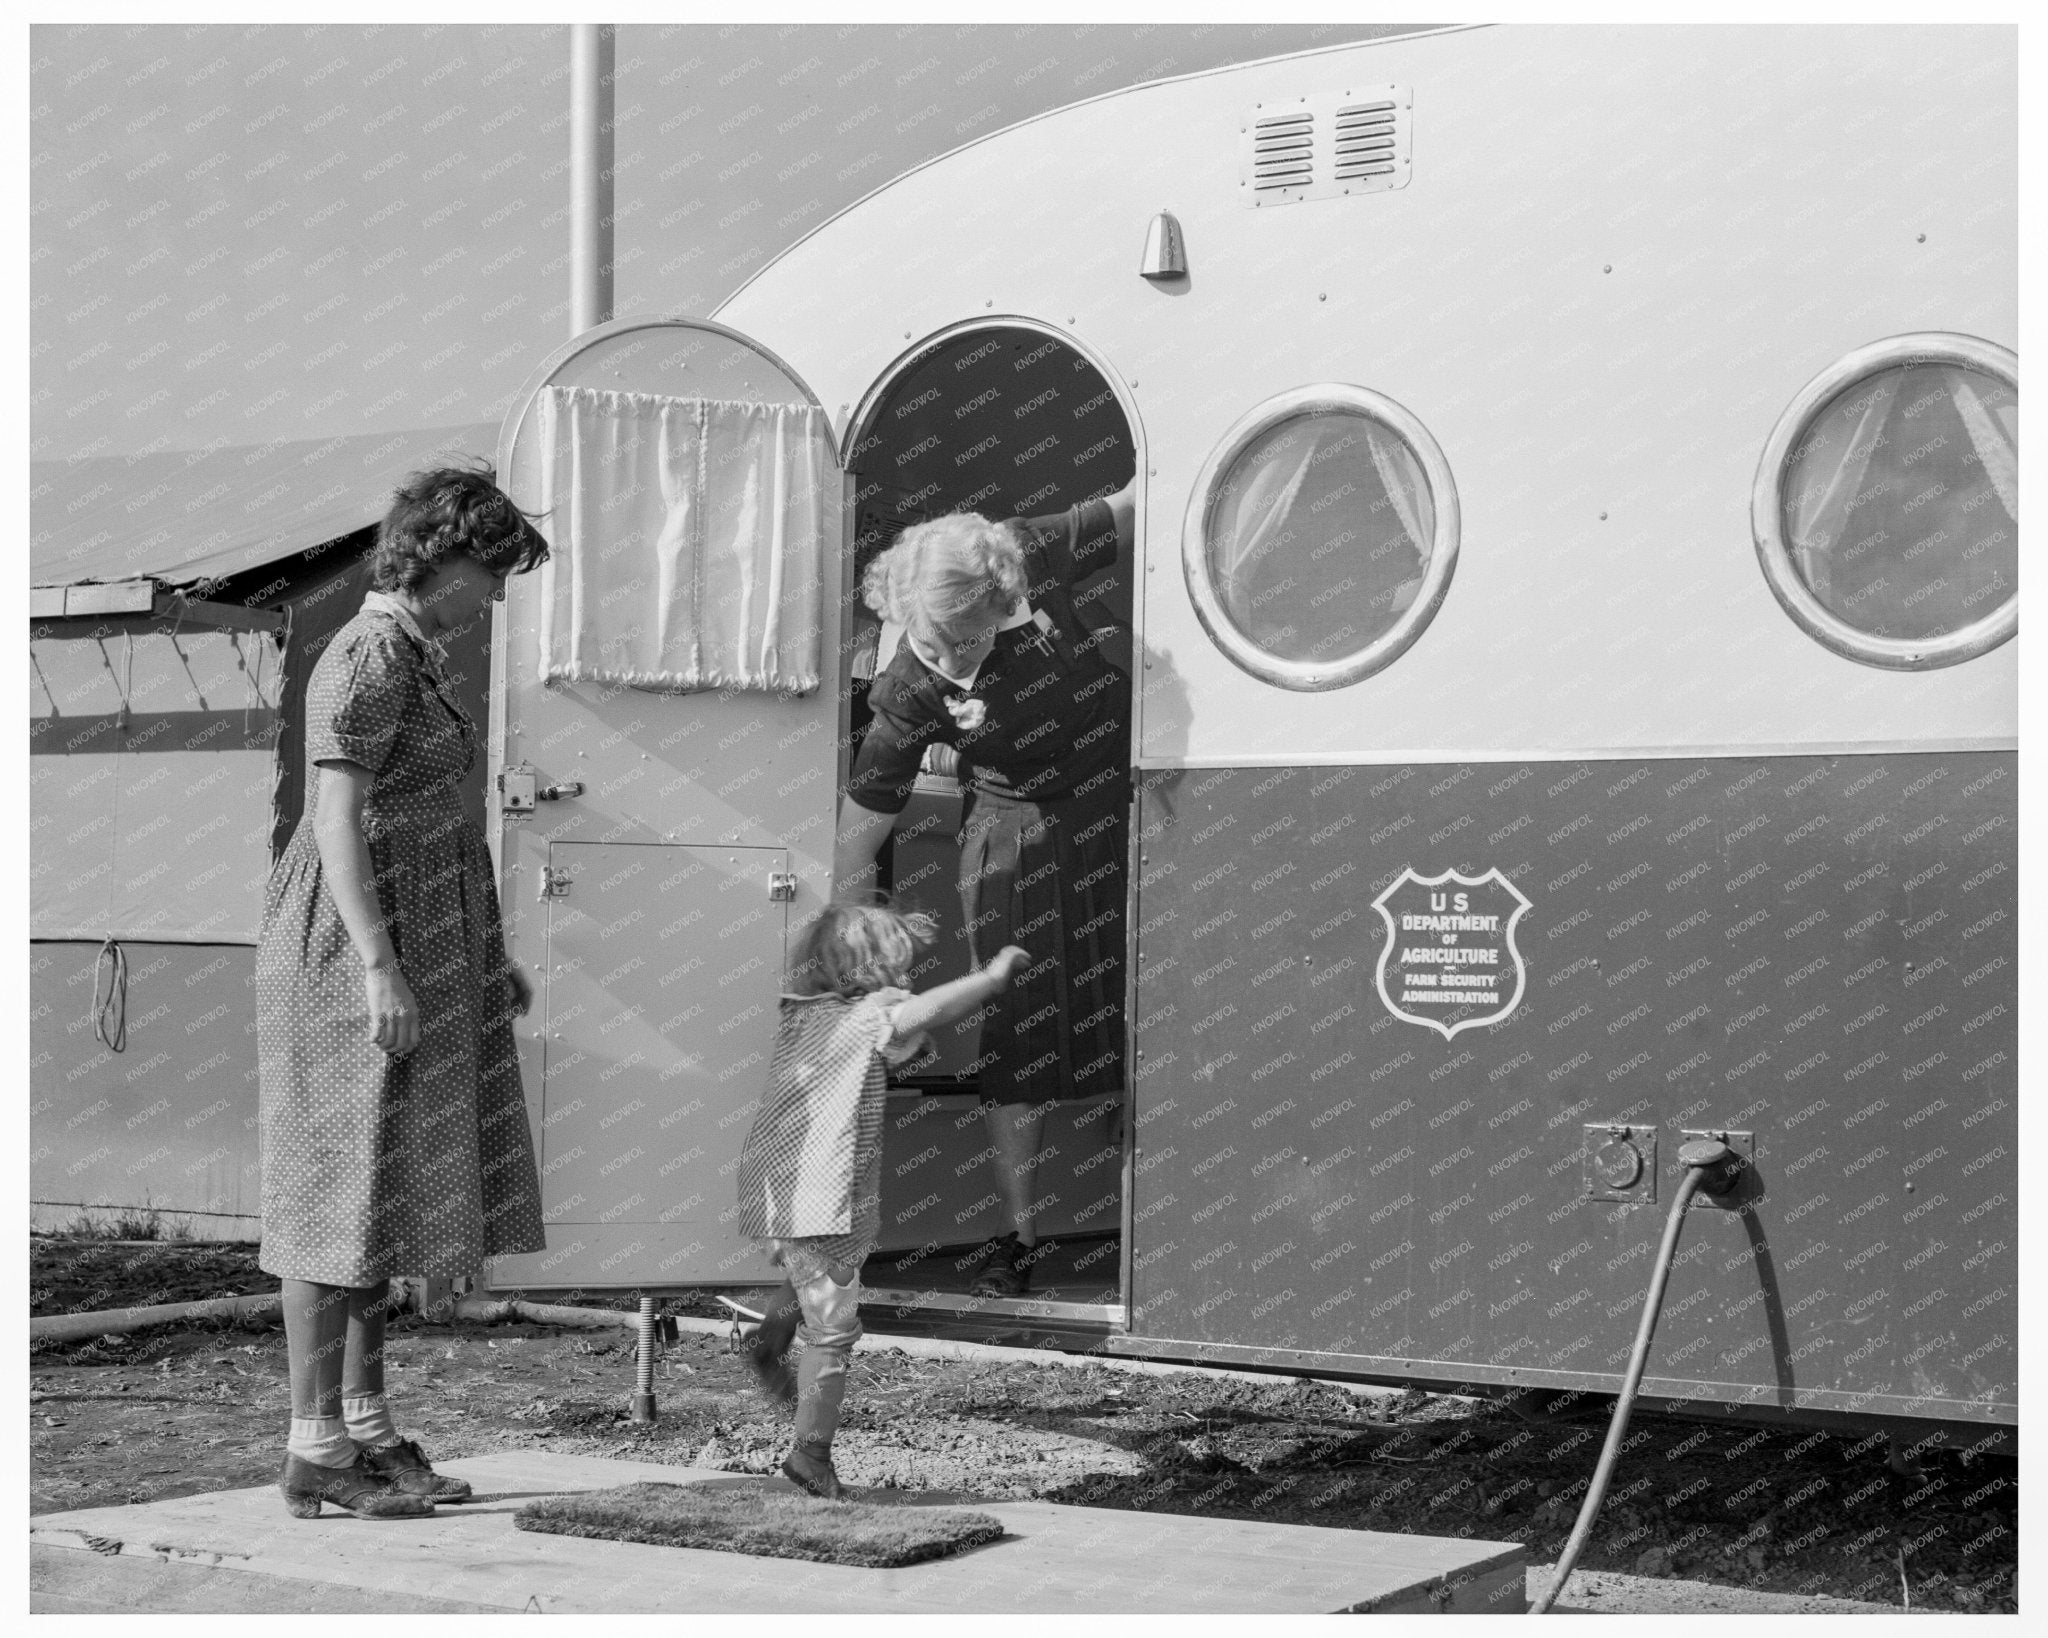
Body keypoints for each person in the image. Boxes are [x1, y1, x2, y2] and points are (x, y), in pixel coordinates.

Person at [255, 465, 550, 1519]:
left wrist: (486, 952)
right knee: (331, 1193)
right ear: (437, 557)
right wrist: (380, 965)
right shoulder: (370, 654)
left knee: (379, 1193)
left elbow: (437, 826)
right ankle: (312, 1444)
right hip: (350, 947)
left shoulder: (415, 654)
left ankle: (365, 1426)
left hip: (422, 935)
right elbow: (338, 819)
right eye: (491, 570)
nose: (497, 595)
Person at [833, 476, 1135, 1298]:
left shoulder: (1028, 548)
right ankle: (1021, 1240)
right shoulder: (906, 690)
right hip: (1016, 828)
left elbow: (1157, 495)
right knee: (1020, 1025)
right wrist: (877, 984)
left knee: (1157, 1008)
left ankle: (1159, 1219)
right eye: (939, 645)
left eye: (970, 642)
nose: (955, 662)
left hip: (1135, 796)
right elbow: (858, 840)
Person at [736, 902, 1029, 1499]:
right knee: (835, 1329)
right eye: (899, 966)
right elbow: (920, 1014)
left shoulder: (803, 1014)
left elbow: (888, 1048)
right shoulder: (875, 1012)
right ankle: (809, 1458)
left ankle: (771, 1335)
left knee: (808, 1276)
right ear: (875, 970)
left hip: (780, 1182)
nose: (904, 980)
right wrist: (991, 978)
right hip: (827, 1189)